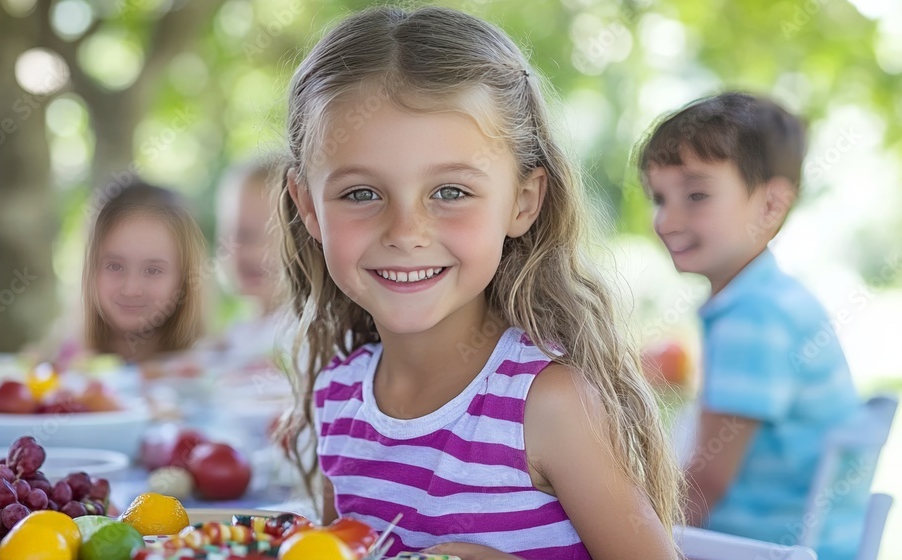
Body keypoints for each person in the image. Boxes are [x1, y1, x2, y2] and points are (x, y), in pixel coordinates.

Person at [276, 6, 681, 559]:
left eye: (450, 192)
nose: (406, 232)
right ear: (309, 209)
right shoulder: (337, 398)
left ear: (522, 201)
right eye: (361, 194)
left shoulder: (548, 405)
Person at [636, 92, 865, 560]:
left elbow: (705, 484)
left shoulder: (754, 316)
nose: (667, 219)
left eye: (696, 195)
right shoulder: (768, 298)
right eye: (660, 198)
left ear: (770, 205)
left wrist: (621, 525)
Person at [82, 182, 206, 363]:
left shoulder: (211, 370)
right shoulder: (57, 374)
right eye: (115, 266)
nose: (131, 289)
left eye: (153, 270)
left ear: (185, 278)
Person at [215, 153, 293, 371]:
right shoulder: (237, 332)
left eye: (274, 236)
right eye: (242, 235)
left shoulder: (304, 331)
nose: (255, 253)